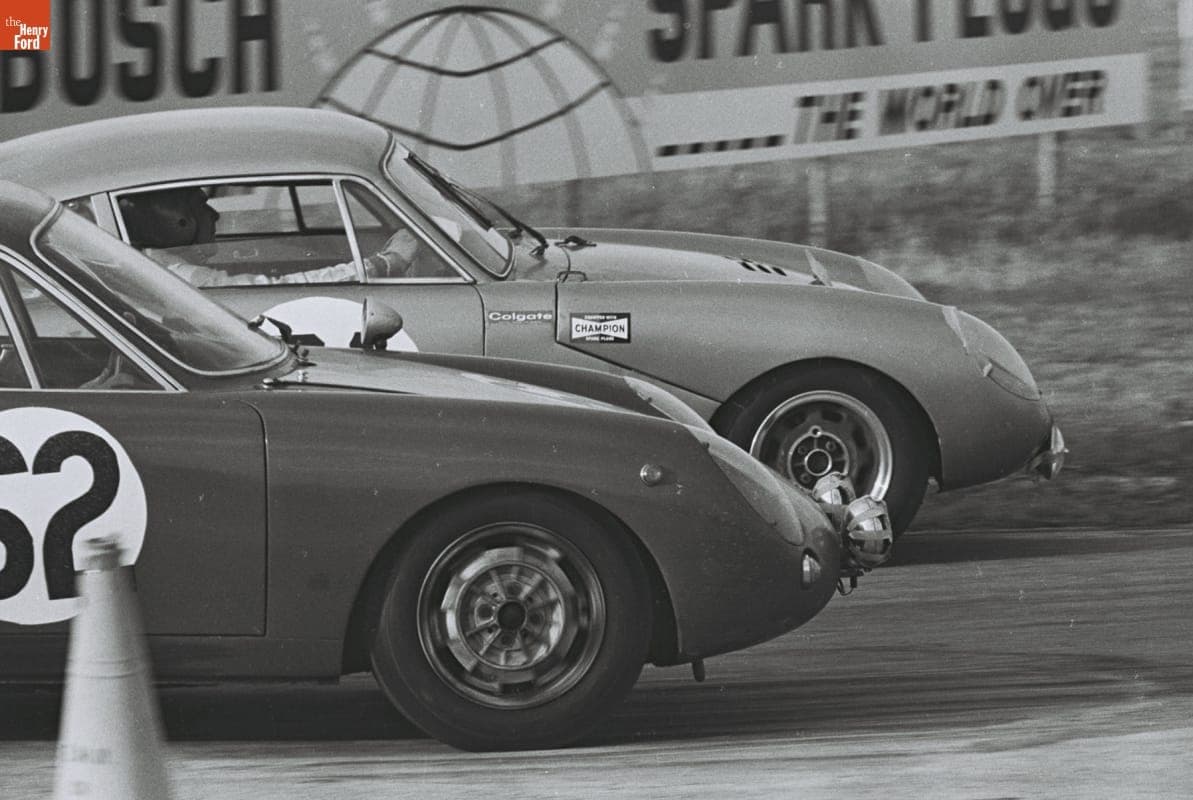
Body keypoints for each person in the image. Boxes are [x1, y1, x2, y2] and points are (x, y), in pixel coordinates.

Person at [118, 187, 418, 287]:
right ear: (176, 221)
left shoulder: (156, 264)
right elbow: (276, 290)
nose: (214, 215)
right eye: (199, 205)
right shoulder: (178, 275)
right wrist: (381, 265)